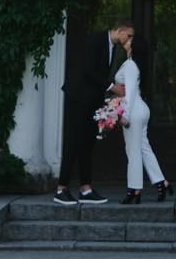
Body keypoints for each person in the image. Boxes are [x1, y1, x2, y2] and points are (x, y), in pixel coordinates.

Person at [53, 20, 132, 206]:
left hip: (91, 100)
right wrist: (112, 87)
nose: (130, 39)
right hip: (78, 97)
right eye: (128, 35)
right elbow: (88, 70)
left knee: (87, 143)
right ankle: (61, 189)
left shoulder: (113, 47)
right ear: (120, 30)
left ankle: (85, 189)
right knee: (73, 141)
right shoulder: (95, 40)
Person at [115, 31, 171, 203]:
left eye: (130, 39)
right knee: (143, 148)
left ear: (134, 46)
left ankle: (134, 189)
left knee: (133, 151)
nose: (127, 40)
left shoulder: (131, 65)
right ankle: (161, 182)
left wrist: (124, 114)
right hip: (140, 109)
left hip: (134, 111)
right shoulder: (133, 64)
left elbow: (130, 92)